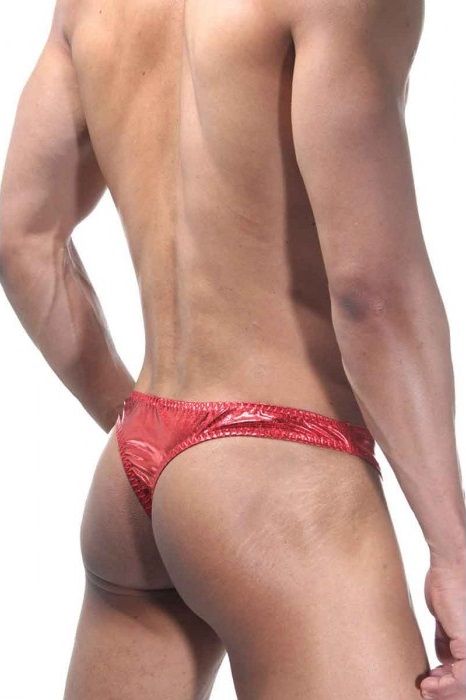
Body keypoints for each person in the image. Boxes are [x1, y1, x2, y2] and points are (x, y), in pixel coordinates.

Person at [0, 0, 465, 697]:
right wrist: (454, 557)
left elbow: (22, 240)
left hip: (134, 472)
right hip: (281, 474)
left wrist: (160, 445)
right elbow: (373, 294)